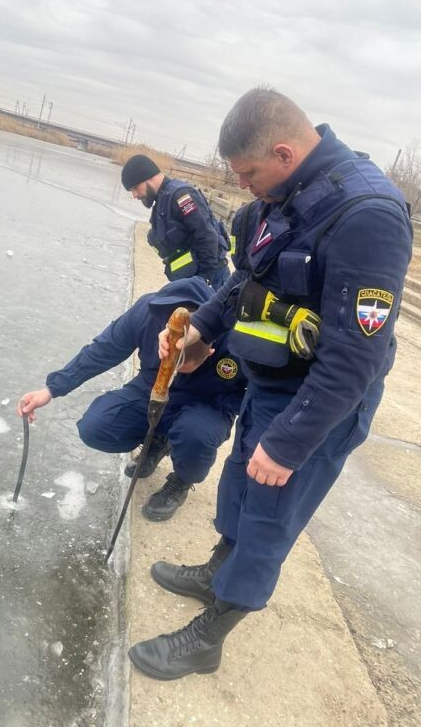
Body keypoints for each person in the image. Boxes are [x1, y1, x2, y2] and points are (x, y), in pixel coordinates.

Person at [129, 87, 413, 681]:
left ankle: (211, 636)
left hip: (320, 405)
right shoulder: (286, 196)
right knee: (239, 488)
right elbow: (243, 283)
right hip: (268, 387)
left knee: (269, 518)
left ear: (284, 153)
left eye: (249, 174)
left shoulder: (367, 216)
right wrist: (199, 329)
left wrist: (289, 443)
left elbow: (354, 357)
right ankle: (217, 572)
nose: (242, 185)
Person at [18, 277, 246, 522]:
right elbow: (103, 350)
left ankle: (181, 480)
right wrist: (51, 389)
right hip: (151, 387)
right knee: (96, 426)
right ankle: (158, 440)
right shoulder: (147, 312)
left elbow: (252, 393)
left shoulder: (235, 336)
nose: (176, 374)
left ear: (210, 351)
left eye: (184, 369)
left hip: (208, 402)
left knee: (196, 434)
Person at [121, 154, 231, 290]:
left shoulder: (181, 196)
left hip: (212, 279)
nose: (135, 195)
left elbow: (206, 236)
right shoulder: (162, 199)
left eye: (135, 188)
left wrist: (203, 281)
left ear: (148, 177)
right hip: (191, 278)